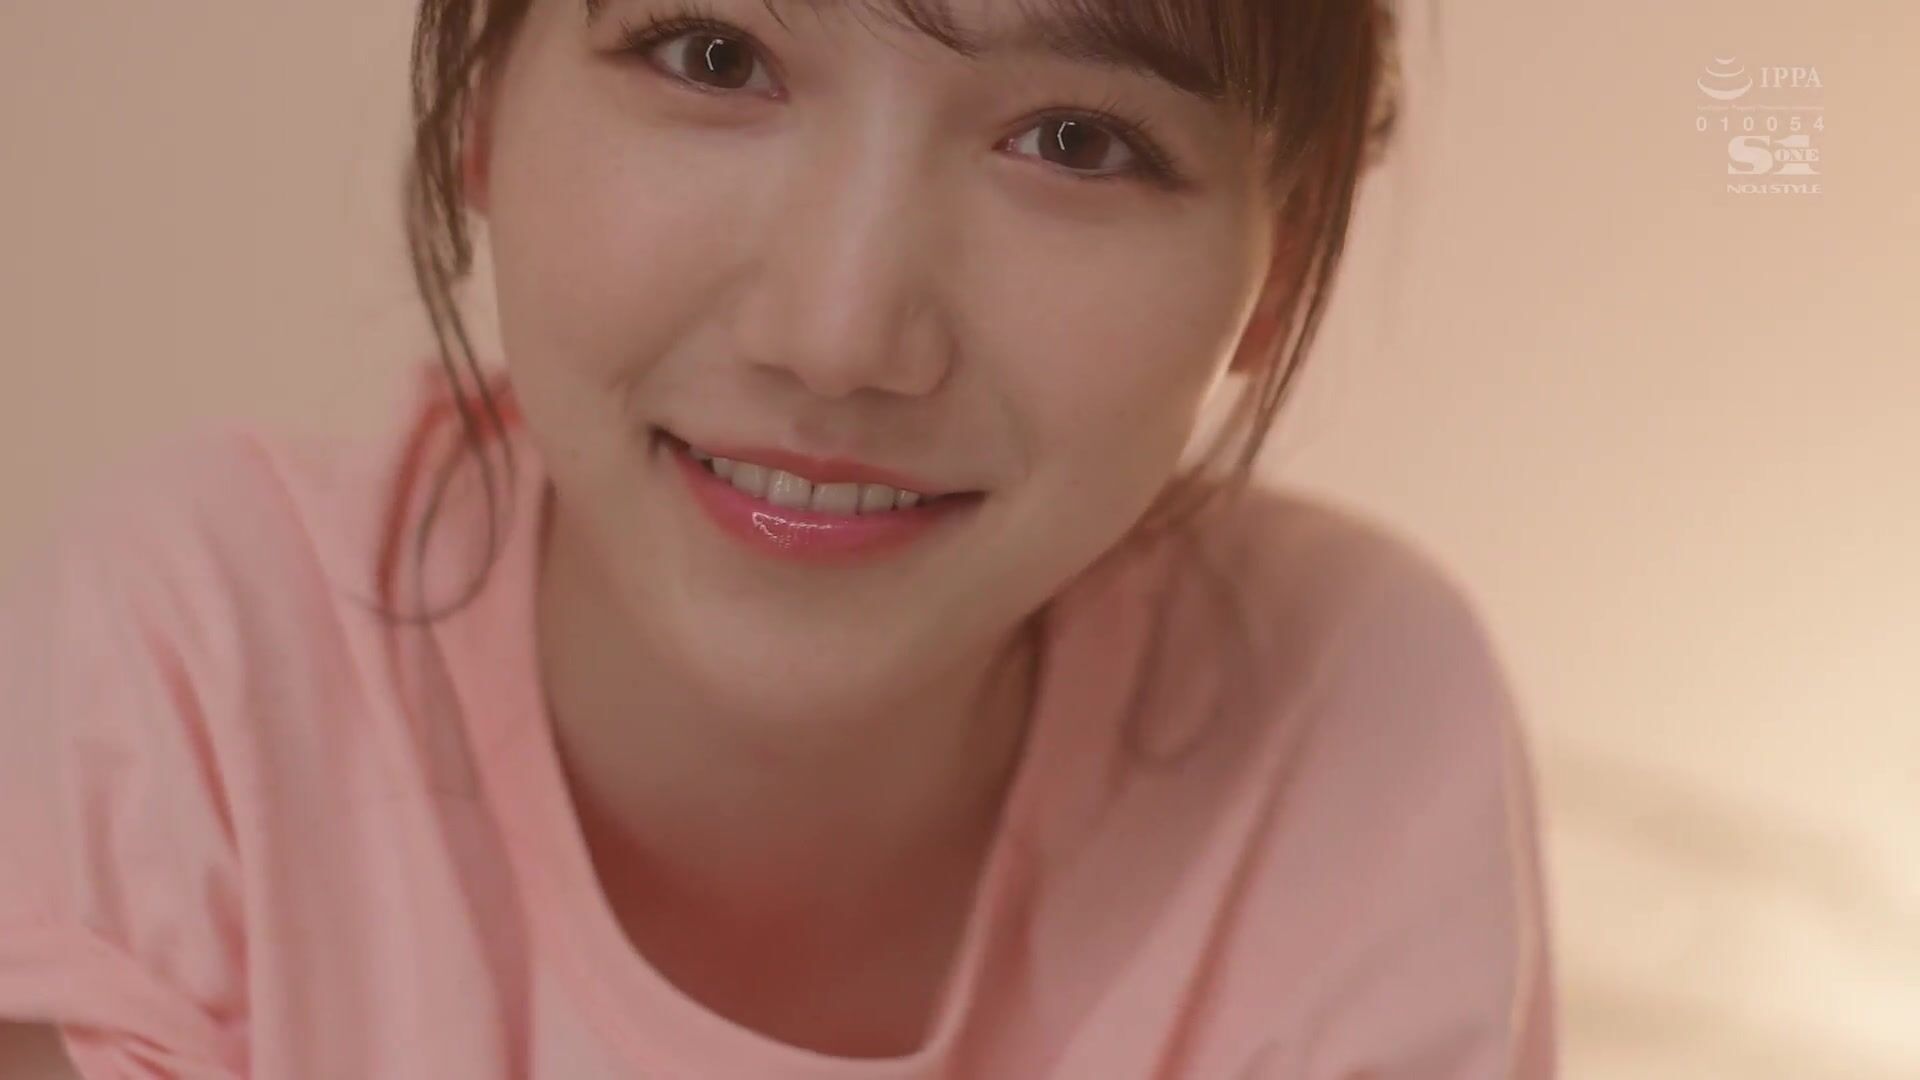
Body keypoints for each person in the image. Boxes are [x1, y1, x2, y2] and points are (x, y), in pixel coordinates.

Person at [0, 0, 1556, 1075]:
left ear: (1277, 271)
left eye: (1078, 141)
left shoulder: (1343, 717)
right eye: (715, 55)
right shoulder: (215, 651)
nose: (840, 336)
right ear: (480, 101)